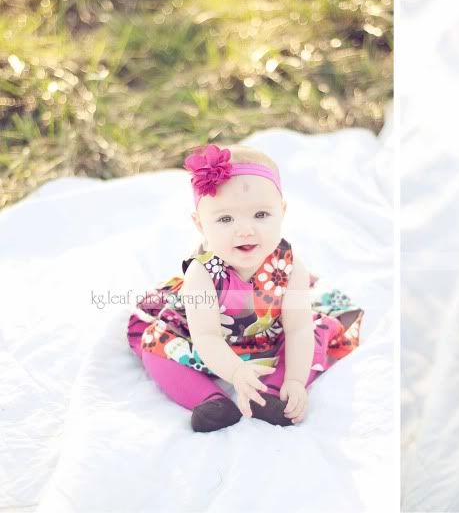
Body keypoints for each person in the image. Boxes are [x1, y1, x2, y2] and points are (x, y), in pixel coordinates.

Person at [127, 143, 364, 432]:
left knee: (314, 335)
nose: (245, 230)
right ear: (200, 224)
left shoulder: (290, 269)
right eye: (225, 219)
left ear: (282, 211)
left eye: (261, 215)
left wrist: (295, 380)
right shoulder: (201, 274)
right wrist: (236, 372)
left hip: (270, 335)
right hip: (207, 339)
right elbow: (207, 337)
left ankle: (275, 393)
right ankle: (209, 400)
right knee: (155, 346)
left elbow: (298, 329)